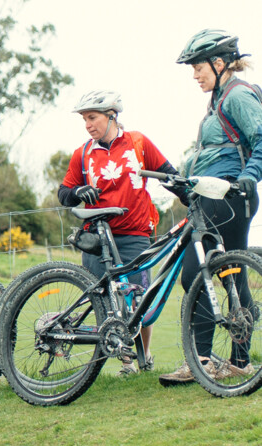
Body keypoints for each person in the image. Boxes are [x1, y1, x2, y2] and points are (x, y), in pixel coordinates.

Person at [160, 29, 262, 384]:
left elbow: (261, 137)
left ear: (218, 63)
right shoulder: (219, 98)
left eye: (198, 67)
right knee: (234, 273)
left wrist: (249, 175)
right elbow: (214, 152)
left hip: (226, 195)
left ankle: (200, 359)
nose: (194, 75)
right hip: (218, 194)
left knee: (194, 273)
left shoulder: (237, 96)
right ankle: (240, 360)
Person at [58, 90, 181, 376]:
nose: (88, 125)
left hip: (135, 234)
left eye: (93, 117)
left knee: (139, 300)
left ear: (112, 116)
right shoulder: (83, 153)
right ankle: (124, 363)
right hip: (98, 237)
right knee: (102, 300)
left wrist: (189, 196)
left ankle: (144, 356)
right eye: (84, 120)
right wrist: (77, 191)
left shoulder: (138, 142)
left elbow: (167, 173)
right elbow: (64, 193)